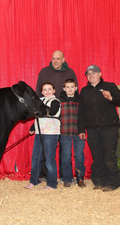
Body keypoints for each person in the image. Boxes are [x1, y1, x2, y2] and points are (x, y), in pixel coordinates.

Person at [78, 65, 120, 192]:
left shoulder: (110, 86)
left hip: (109, 127)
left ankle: (112, 182)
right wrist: (81, 129)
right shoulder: (84, 91)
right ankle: (99, 181)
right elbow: (81, 111)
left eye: (93, 72)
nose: (91, 75)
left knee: (109, 156)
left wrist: (111, 98)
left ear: (99, 73)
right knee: (97, 156)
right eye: (88, 73)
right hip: (92, 129)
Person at [35, 50, 78, 180]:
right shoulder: (44, 72)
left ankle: (64, 176)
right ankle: (44, 174)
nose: (55, 61)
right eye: (53, 58)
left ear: (63, 59)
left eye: (58, 59)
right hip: (48, 114)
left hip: (65, 113)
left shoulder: (70, 72)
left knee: (64, 146)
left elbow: (75, 92)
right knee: (46, 145)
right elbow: (38, 92)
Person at [25, 82, 61, 190]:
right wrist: (32, 127)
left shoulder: (55, 101)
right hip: (39, 132)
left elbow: (53, 112)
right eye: (44, 90)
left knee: (49, 159)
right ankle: (34, 180)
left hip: (51, 133)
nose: (47, 91)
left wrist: (38, 109)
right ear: (41, 92)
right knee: (36, 157)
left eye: (49, 89)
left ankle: (52, 183)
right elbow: (37, 117)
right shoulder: (40, 101)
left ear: (54, 91)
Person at [59, 79, 86, 188]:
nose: (70, 89)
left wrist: (83, 130)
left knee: (79, 155)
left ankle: (80, 178)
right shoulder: (59, 101)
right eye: (67, 87)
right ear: (64, 89)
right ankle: (67, 178)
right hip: (64, 132)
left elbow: (84, 117)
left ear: (76, 88)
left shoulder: (81, 101)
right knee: (66, 156)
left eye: (72, 87)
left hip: (78, 133)